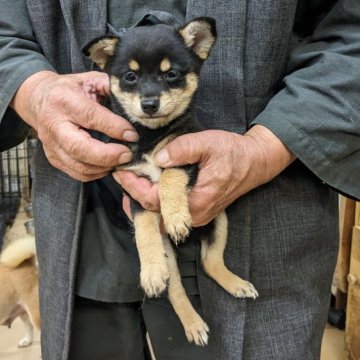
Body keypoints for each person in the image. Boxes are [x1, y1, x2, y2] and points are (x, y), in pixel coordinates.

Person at [0, 1, 359, 359]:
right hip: (79, 222)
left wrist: (268, 147)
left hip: (267, 217)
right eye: (131, 78)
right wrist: (33, 91)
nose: (150, 97)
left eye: (170, 76)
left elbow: (351, 32)